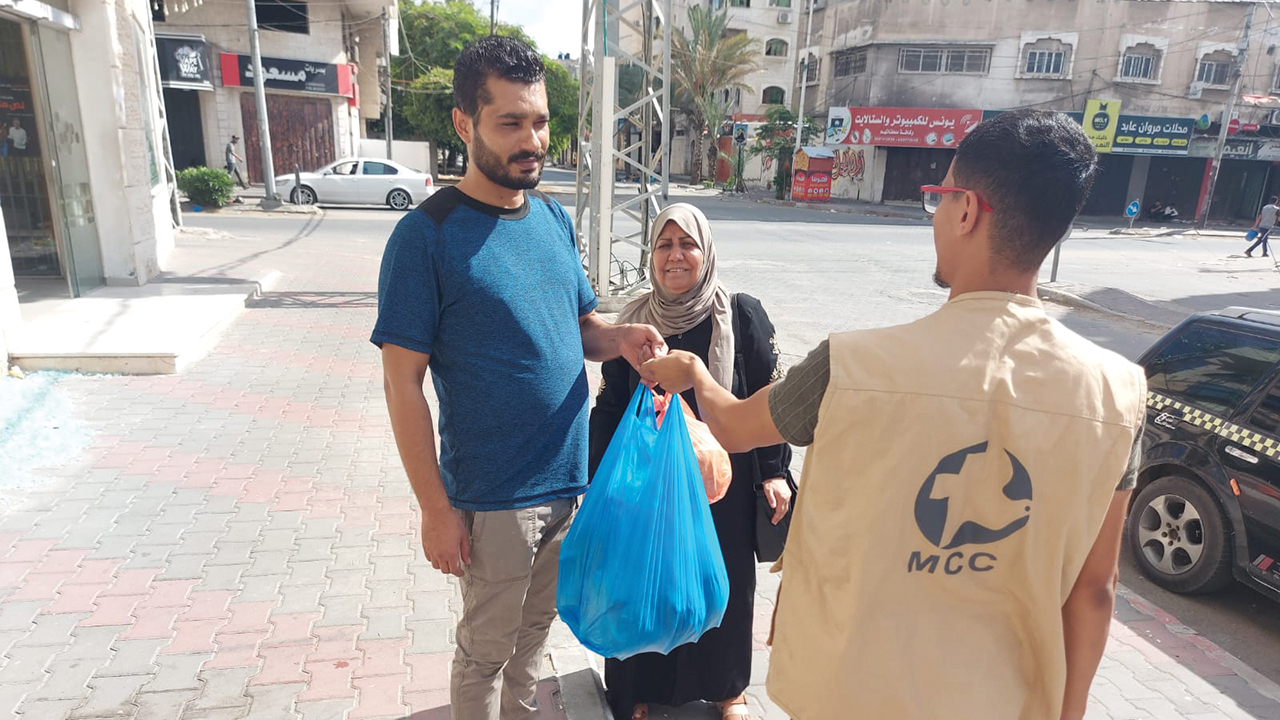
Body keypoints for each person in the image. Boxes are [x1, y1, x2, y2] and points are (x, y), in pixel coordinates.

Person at [640, 109, 1147, 720]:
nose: (934, 215)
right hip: (1006, 700)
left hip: (854, 691)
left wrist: (695, 376)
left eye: (939, 197)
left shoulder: (850, 365)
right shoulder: (1118, 394)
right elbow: (1094, 592)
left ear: (966, 210)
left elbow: (732, 427)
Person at [371, 36, 664, 720]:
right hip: (494, 498)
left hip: (567, 482)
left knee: (535, 635)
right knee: (486, 650)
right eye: (510, 123)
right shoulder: (426, 237)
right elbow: (401, 385)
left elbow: (582, 328)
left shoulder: (553, 219)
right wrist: (435, 509)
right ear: (463, 123)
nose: (532, 140)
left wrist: (622, 338)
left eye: (539, 122)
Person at [589, 203, 793, 720]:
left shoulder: (739, 315)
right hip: (647, 486)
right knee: (642, 579)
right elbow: (610, 405)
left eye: (687, 245)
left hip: (723, 484)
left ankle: (729, 691)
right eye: (664, 245)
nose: (675, 256)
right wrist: (597, 480)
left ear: (706, 253)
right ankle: (637, 689)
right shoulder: (632, 323)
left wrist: (774, 472)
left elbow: (767, 398)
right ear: (651, 256)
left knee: (724, 583)